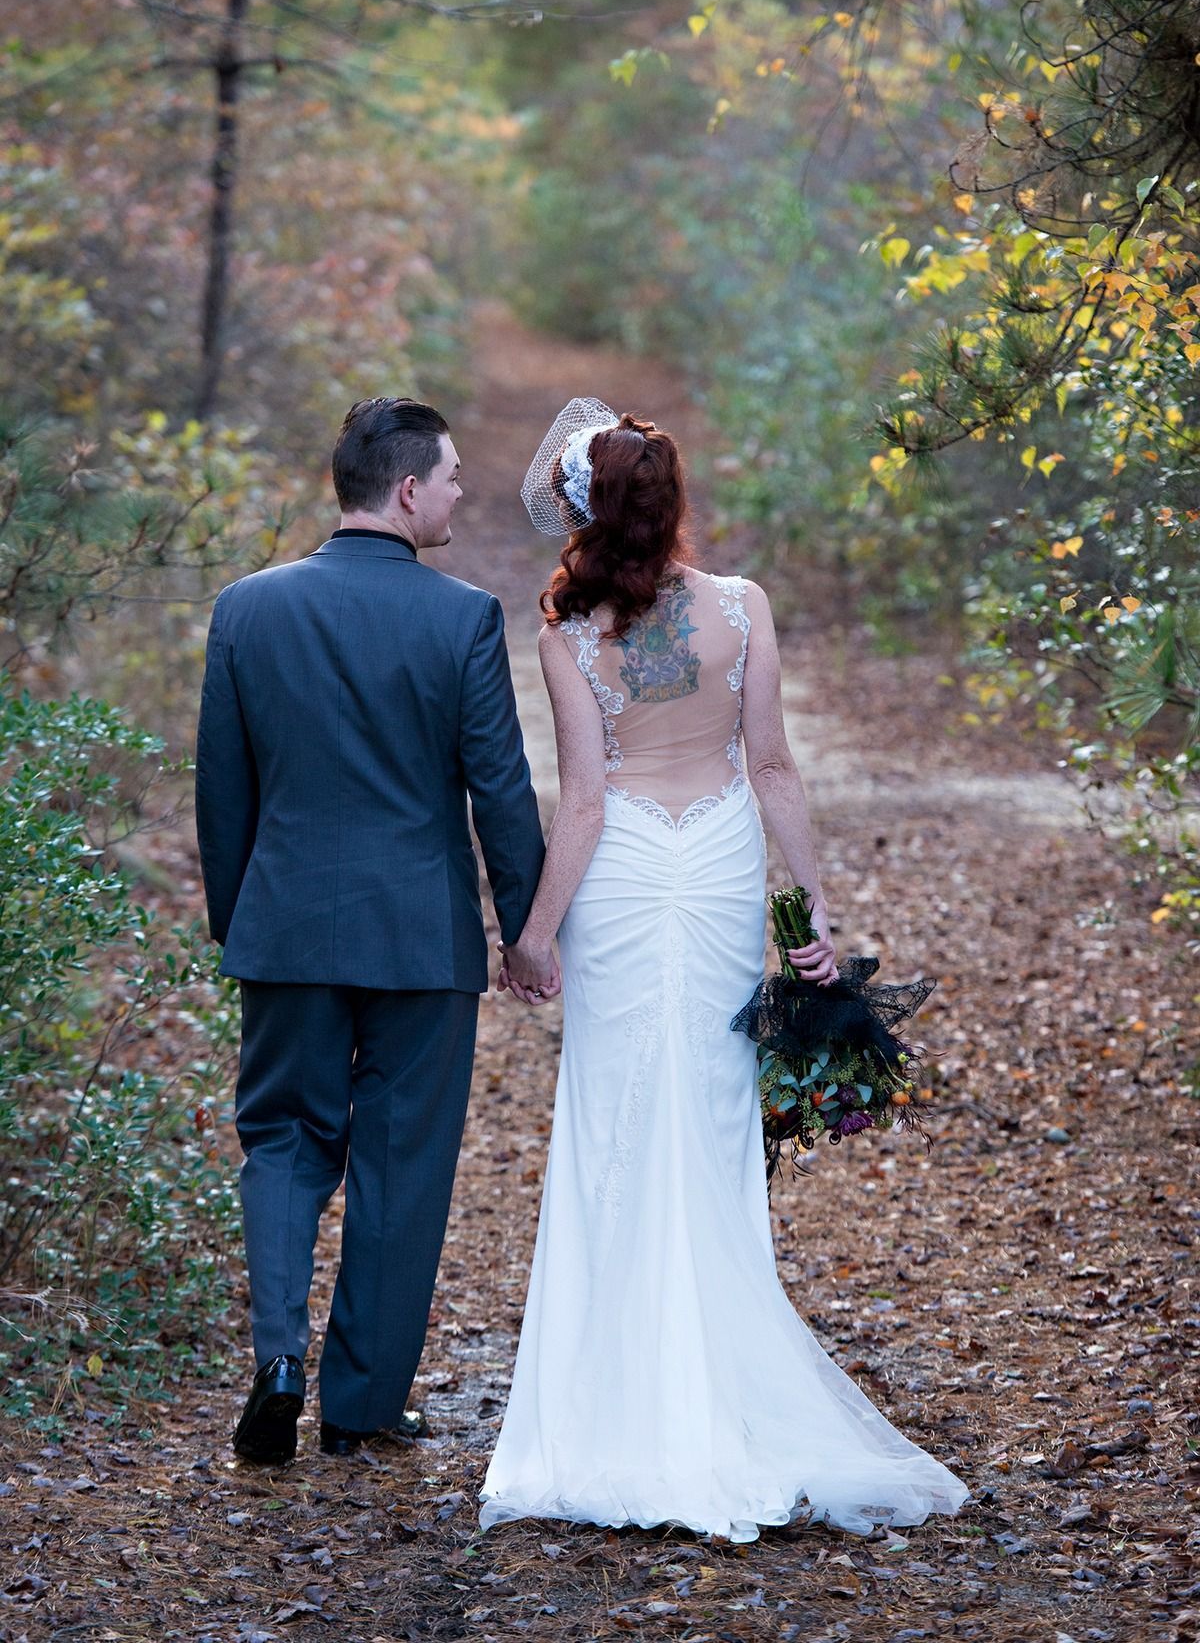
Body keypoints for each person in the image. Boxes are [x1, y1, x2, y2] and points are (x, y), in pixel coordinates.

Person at [481, 400, 970, 1540]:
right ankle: (716, 1377)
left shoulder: (566, 641)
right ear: (675, 503)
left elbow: (589, 802)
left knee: (614, 1114)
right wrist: (813, 919)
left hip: (622, 879)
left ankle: (616, 1399)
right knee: (707, 1112)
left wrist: (537, 933)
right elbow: (774, 767)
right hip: (710, 875)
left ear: (588, 517)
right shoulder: (743, 612)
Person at [195, 396, 547, 1463]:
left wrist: (239, 925)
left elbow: (224, 794)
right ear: (405, 491)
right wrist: (527, 927)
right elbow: (500, 790)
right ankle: (358, 1406)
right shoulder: (462, 618)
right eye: (448, 479)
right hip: (417, 941)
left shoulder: (247, 610)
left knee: (281, 1144)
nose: (457, 495)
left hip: (288, 926)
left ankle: (278, 1359)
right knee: (402, 1161)